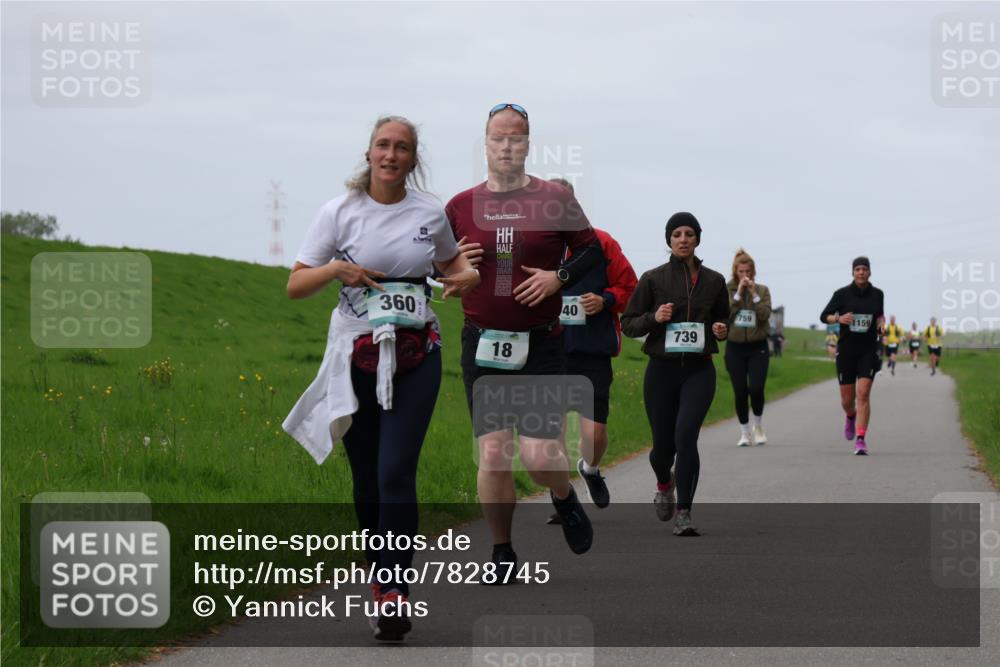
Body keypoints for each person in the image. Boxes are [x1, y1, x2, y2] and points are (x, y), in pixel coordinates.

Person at [282, 116, 479, 640]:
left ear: (414, 161)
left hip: (418, 354)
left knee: (395, 471)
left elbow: (456, 267)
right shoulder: (338, 212)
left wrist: (467, 279)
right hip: (355, 356)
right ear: (368, 154)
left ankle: (395, 591)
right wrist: (334, 271)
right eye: (383, 146)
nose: (391, 155)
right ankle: (379, 581)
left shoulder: (429, 213)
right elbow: (296, 284)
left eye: (403, 148)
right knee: (367, 478)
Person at [447, 103, 604, 574]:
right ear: (486, 143)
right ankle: (501, 552)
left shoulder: (554, 198)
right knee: (493, 453)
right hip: (483, 343)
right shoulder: (459, 206)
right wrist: (451, 262)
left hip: (539, 343)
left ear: (528, 144)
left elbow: (590, 250)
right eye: (498, 137)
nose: (507, 145)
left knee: (538, 456)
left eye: (517, 137)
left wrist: (559, 277)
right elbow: (436, 267)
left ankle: (562, 493)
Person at [621, 212, 729, 536]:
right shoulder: (653, 279)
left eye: (689, 234)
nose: (683, 239)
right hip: (662, 372)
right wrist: (654, 317)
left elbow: (724, 320)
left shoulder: (714, 281)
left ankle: (684, 512)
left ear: (698, 239)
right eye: (677, 234)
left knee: (686, 437)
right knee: (662, 449)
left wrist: (722, 330)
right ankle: (663, 482)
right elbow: (628, 323)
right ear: (668, 240)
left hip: (699, 370)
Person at [546, 177, 638, 522]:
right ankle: (562, 498)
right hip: (549, 350)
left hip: (592, 350)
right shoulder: (536, 246)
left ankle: (591, 467)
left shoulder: (600, 242)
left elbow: (629, 285)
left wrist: (606, 299)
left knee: (594, 433)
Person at [819, 256, 885, 455]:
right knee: (847, 400)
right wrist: (839, 318)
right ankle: (850, 415)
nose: (861, 272)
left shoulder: (878, 294)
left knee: (863, 394)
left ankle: (861, 439)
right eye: (858, 269)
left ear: (869, 272)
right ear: (853, 272)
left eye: (864, 269)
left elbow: (879, 315)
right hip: (846, 351)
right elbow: (824, 316)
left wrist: (881, 324)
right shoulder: (841, 294)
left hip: (868, 350)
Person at [724, 248, 772, 447]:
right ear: (735, 271)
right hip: (735, 347)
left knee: (757, 387)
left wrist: (753, 294)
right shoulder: (728, 289)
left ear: (753, 272)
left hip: (757, 347)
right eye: (741, 272)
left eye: (748, 272)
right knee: (740, 390)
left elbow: (764, 315)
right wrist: (738, 294)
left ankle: (758, 425)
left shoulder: (762, 290)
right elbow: (726, 315)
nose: (745, 276)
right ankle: (745, 432)